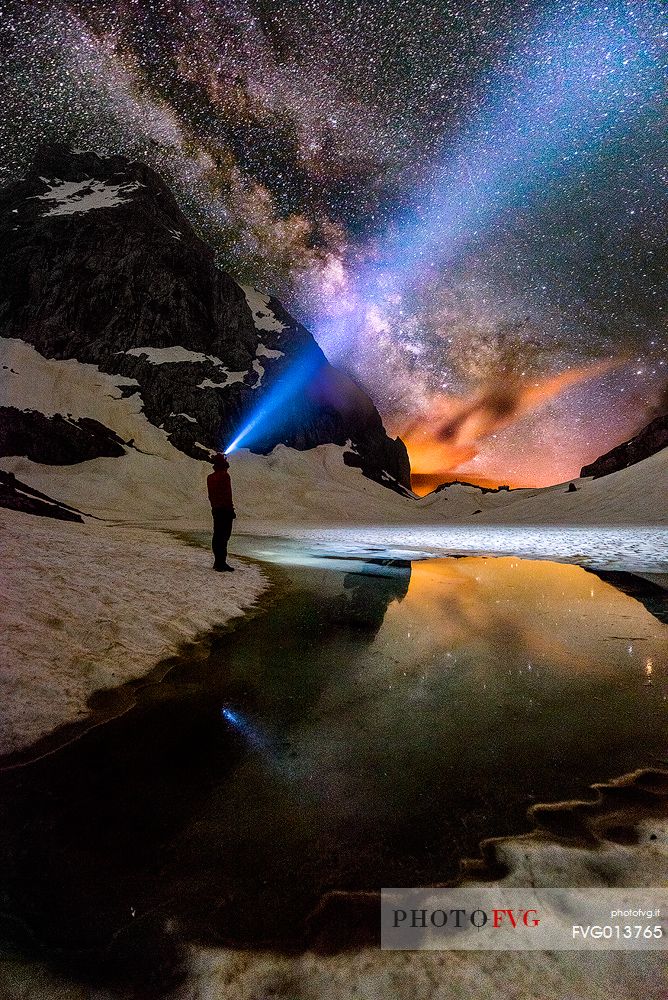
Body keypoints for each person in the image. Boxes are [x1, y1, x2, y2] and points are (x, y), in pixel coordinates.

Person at [207, 453, 236, 571]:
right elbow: (227, 494)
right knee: (224, 536)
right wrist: (231, 509)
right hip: (224, 510)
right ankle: (221, 563)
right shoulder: (224, 476)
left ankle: (218, 561)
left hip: (216, 509)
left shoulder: (210, 477)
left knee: (217, 535)